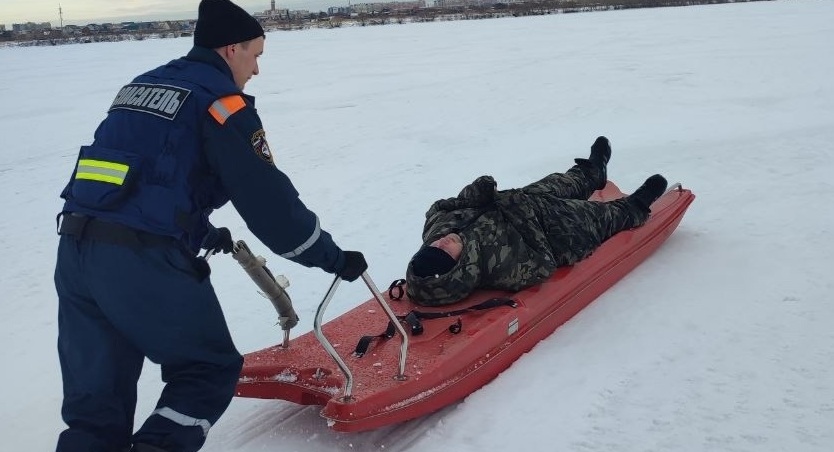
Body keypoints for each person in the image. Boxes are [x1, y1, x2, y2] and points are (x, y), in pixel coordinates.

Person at [52, 1, 368, 451]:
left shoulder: (141, 86)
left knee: (94, 409)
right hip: (143, 262)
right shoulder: (221, 104)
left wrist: (197, 230)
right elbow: (269, 203)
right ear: (231, 48)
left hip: (77, 254)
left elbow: (138, 181)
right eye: (255, 55)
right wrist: (330, 256)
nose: (256, 69)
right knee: (208, 368)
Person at [405, 136, 668, 306]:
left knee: (557, 183)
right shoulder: (498, 267)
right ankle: (635, 206)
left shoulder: (439, 230)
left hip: (522, 200)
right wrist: (522, 215)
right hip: (558, 230)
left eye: (434, 245)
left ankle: (592, 172)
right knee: (598, 217)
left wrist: (474, 193)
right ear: (458, 264)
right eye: (444, 251)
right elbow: (543, 265)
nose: (442, 242)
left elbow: (439, 208)